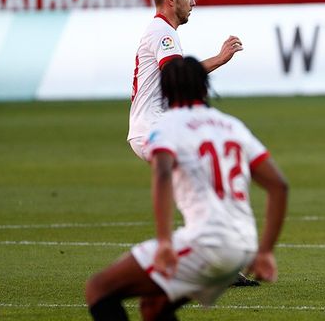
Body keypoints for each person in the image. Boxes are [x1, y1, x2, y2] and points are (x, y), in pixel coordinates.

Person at [86, 57, 289, 320]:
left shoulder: (167, 126)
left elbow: (161, 174)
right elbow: (279, 186)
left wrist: (164, 242)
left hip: (205, 243)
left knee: (99, 289)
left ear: (165, 92)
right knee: (154, 307)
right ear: (205, 88)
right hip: (243, 248)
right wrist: (265, 252)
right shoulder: (232, 126)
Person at [128, 0, 243, 162]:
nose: (193, 2)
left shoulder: (161, 29)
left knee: (197, 174)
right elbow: (178, 75)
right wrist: (219, 58)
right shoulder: (163, 32)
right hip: (152, 128)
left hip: (153, 126)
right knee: (210, 161)